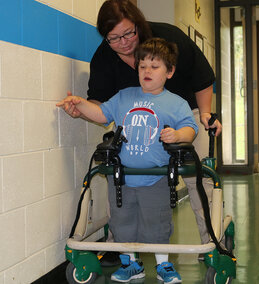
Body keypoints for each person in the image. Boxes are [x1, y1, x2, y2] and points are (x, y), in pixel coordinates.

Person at [65, 0, 222, 257]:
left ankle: (212, 241)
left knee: (198, 177)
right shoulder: (104, 57)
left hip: (184, 114)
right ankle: (121, 247)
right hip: (141, 123)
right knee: (120, 175)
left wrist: (204, 113)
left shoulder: (168, 38)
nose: (124, 42)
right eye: (114, 38)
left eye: (128, 33)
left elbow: (202, 76)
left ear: (138, 25)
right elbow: (100, 105)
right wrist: (80, 107)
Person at [58, 38, 198, 284]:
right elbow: (101, 114)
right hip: (121, 177)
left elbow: (190, 129)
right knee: (122, 223)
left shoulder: (176, 103)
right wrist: (80, 103)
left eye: (155, 67)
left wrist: (177, 135)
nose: (147, 71)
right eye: (143, 66)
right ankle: (131, 265)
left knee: (157, 224)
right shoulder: (124, 97)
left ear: (170, 71)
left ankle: (164, 264)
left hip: (156, 177)